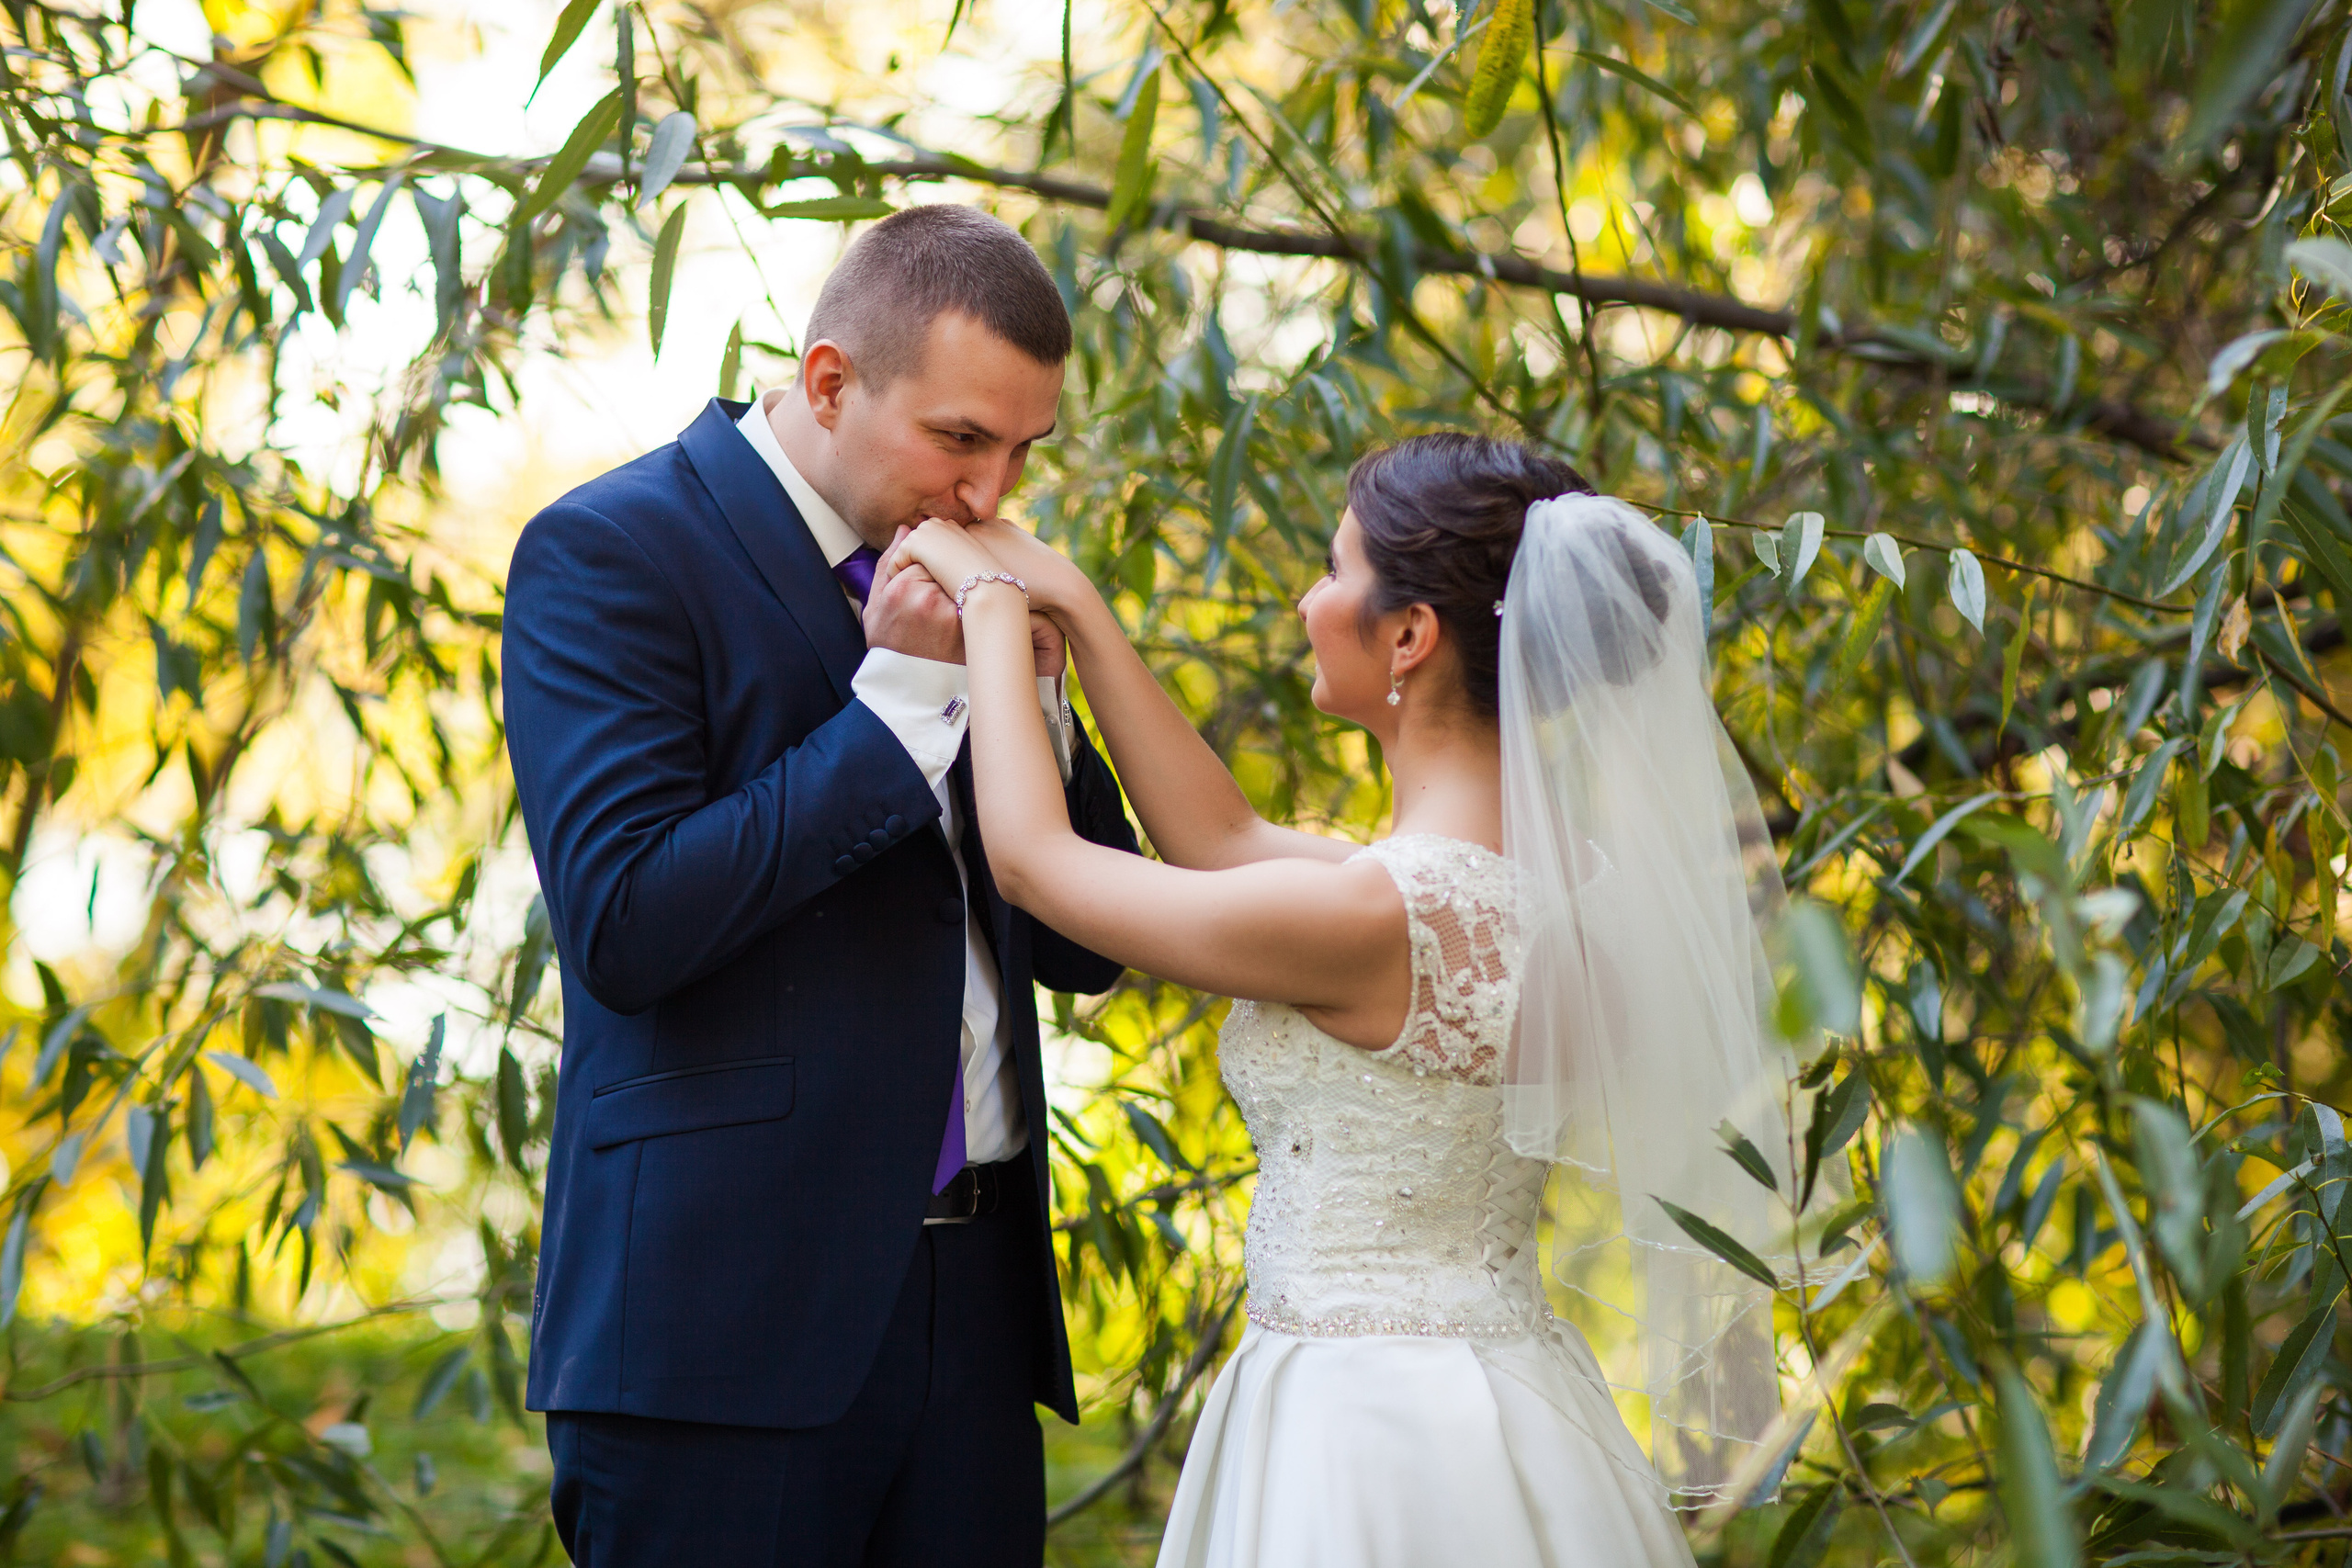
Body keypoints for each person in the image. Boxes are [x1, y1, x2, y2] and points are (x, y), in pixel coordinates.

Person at [890, 432, 1799, 1566]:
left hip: (1364, 1425)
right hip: (1505, 1394)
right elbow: (1220, 838)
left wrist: (984, 606)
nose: (1311, 598)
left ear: (1409, 636)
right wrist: (1070, 603)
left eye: (1333, 568)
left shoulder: (1378, 920)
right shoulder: (1545, 891)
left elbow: (1034, 864)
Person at [503, 204, 1139, 1566]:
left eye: (1023, 450)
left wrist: (1035, 700)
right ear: (831, 378)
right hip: (719, 1331)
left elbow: (1089, 951)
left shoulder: (972, 578)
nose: (989, 494)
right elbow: (628, 920)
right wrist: (905, 692)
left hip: (973, 1313)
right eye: (962, 438)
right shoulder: (610, 551)